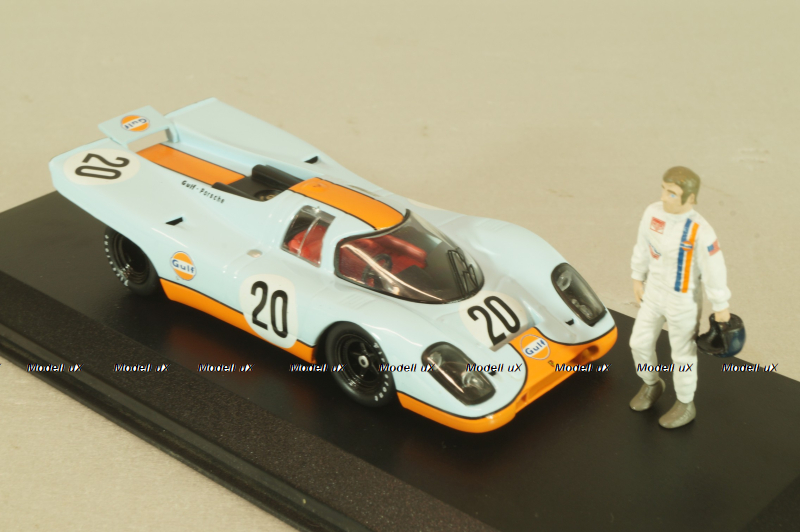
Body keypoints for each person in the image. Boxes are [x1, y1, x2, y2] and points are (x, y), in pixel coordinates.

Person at [628, 167, 731, 428]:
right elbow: (642, 246)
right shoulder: (652, 213)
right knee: (638, 343)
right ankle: (651, 384)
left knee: (682, 357)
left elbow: (715, 270)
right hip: (653, 292)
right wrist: (637, 276)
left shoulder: (701, 231)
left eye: (672, 193)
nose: (664, 197)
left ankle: (685, 403)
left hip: (683, 301)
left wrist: (721, 305)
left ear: (690, 198)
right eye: (664, 190)